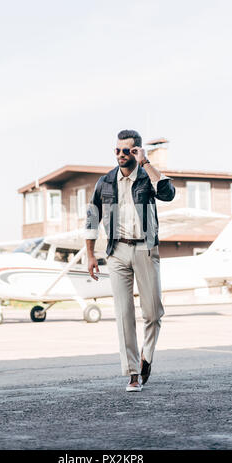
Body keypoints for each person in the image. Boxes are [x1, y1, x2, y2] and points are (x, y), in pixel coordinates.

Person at [85, 129, 175, 392]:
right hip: (116, 252)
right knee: (124, 313)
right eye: (117, 150)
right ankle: (133, 373)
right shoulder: (105, 183)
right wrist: (90, 253)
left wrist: (146, 162)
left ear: (136, 151)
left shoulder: (147, 179)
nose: (121, 155)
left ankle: (146, 358)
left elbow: (168, 193)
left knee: (153, 313)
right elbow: (92, 218)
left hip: (145, 249)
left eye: (128, 150)